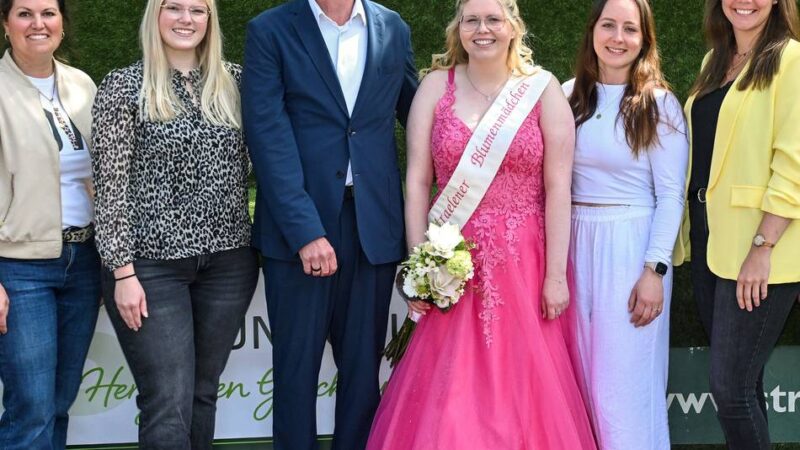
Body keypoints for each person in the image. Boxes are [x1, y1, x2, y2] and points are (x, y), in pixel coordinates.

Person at [365, 0, 597, 448]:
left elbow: (558, 188)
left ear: (513, 27)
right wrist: (419, 267)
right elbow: (417, 180)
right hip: (452, 263)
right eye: (471, 20)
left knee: (524, 384)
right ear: (459, 28)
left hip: (525, 261)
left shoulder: (542, 88)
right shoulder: (435, 87)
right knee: (452, 387)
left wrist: (555, 275)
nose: (482, 29)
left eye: (493, 19)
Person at [241, 0, 417, 448]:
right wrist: (306, 231)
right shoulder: (270, 30)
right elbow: (267, 135)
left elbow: (419, 115)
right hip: (299, 228)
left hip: (373, 226)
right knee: (295, 371)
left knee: (362, 371)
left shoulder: (392, 27)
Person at [90, 0, 258, 448]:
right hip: (149, 267)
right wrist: (122, 272)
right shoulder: (124, 86)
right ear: (155, 15)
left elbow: (265, 162)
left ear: (210, 20)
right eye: (174, 7)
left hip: (228, 263)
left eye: (198, 10)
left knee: (202, 393)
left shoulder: (237, 83)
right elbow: (109, 186)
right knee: (167, 401)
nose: (186, 19)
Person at [563, 0, 688, 448]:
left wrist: (654, 271)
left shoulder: (660, 105)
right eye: (609, 25)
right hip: (573, 246)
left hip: (632, 251)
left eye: (630, 29)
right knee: (577, 381)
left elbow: (670, 195)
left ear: (644, 40)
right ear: (592, 31)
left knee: (622, 390)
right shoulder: (566, 95)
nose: (618, 38)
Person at [674, 0, 800, 447]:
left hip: (761, 248)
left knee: (730, 390)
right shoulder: (715, 60)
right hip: (711, 242)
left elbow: (793, 163)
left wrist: (762, 247)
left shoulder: (791, 59)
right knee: (744, 385)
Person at [0, 0, 100, 448]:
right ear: (6, 24)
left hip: (84, 260)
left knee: (59, 403)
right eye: (24, 13)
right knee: (32, 409)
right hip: (19, 267)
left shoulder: (82, 84)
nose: (38, 24)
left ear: (62, 23)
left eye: (48, 13)